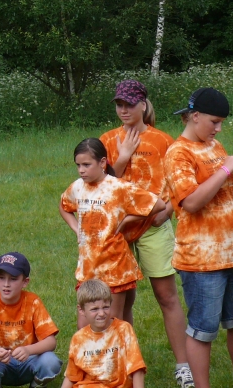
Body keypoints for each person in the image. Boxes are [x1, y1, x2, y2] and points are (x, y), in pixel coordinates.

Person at [100, 80, 192, 388]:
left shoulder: (163, 140)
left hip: (153, 227)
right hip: (118, 230)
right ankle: (123, 366)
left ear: (143, 104)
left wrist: (168, 210)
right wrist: (122, 156)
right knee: (120, 299)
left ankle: (184, 366)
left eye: (129, 104)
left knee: (166, 296)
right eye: (119, 104)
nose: (123, 110)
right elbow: (99, 185)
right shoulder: (107, 141)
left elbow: (179, 181)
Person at [164, 87, 233, 388]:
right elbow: (192, 202)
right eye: (214, 122)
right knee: (203, 331)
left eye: (221, 122)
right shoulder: (178, 153)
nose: (218, 128)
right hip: (201, 261)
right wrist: (225, 169)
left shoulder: (215, 146)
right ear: (195, 116)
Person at [59, 138, 165, 327]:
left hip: (114, 266)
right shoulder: (77, 187)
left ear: (102, 163)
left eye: (86, 165)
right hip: (88, 266)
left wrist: (126, 220)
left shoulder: (118, 187)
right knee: (84, 325)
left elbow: (158, 204)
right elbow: (64, 205)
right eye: (78, 165)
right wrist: (77, 228)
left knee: (112, 324)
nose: (81, 170)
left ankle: (123, 347)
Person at [0, 252, 63, 387]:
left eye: (13, 279)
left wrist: (28, 350)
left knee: (50, 361)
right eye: (1, 278)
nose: (6, 284)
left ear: (25, 282)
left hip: (29, 361)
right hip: (0, 363)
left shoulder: (33, 301)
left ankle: (36, 385)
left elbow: (51, 341)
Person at [61, 279, 146, 388]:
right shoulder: (78, 338)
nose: (101, 313)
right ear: (81, 310)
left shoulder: (124, 329)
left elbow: (137, 368)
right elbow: (72, 376)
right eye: (94, 309)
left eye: (106, 307)